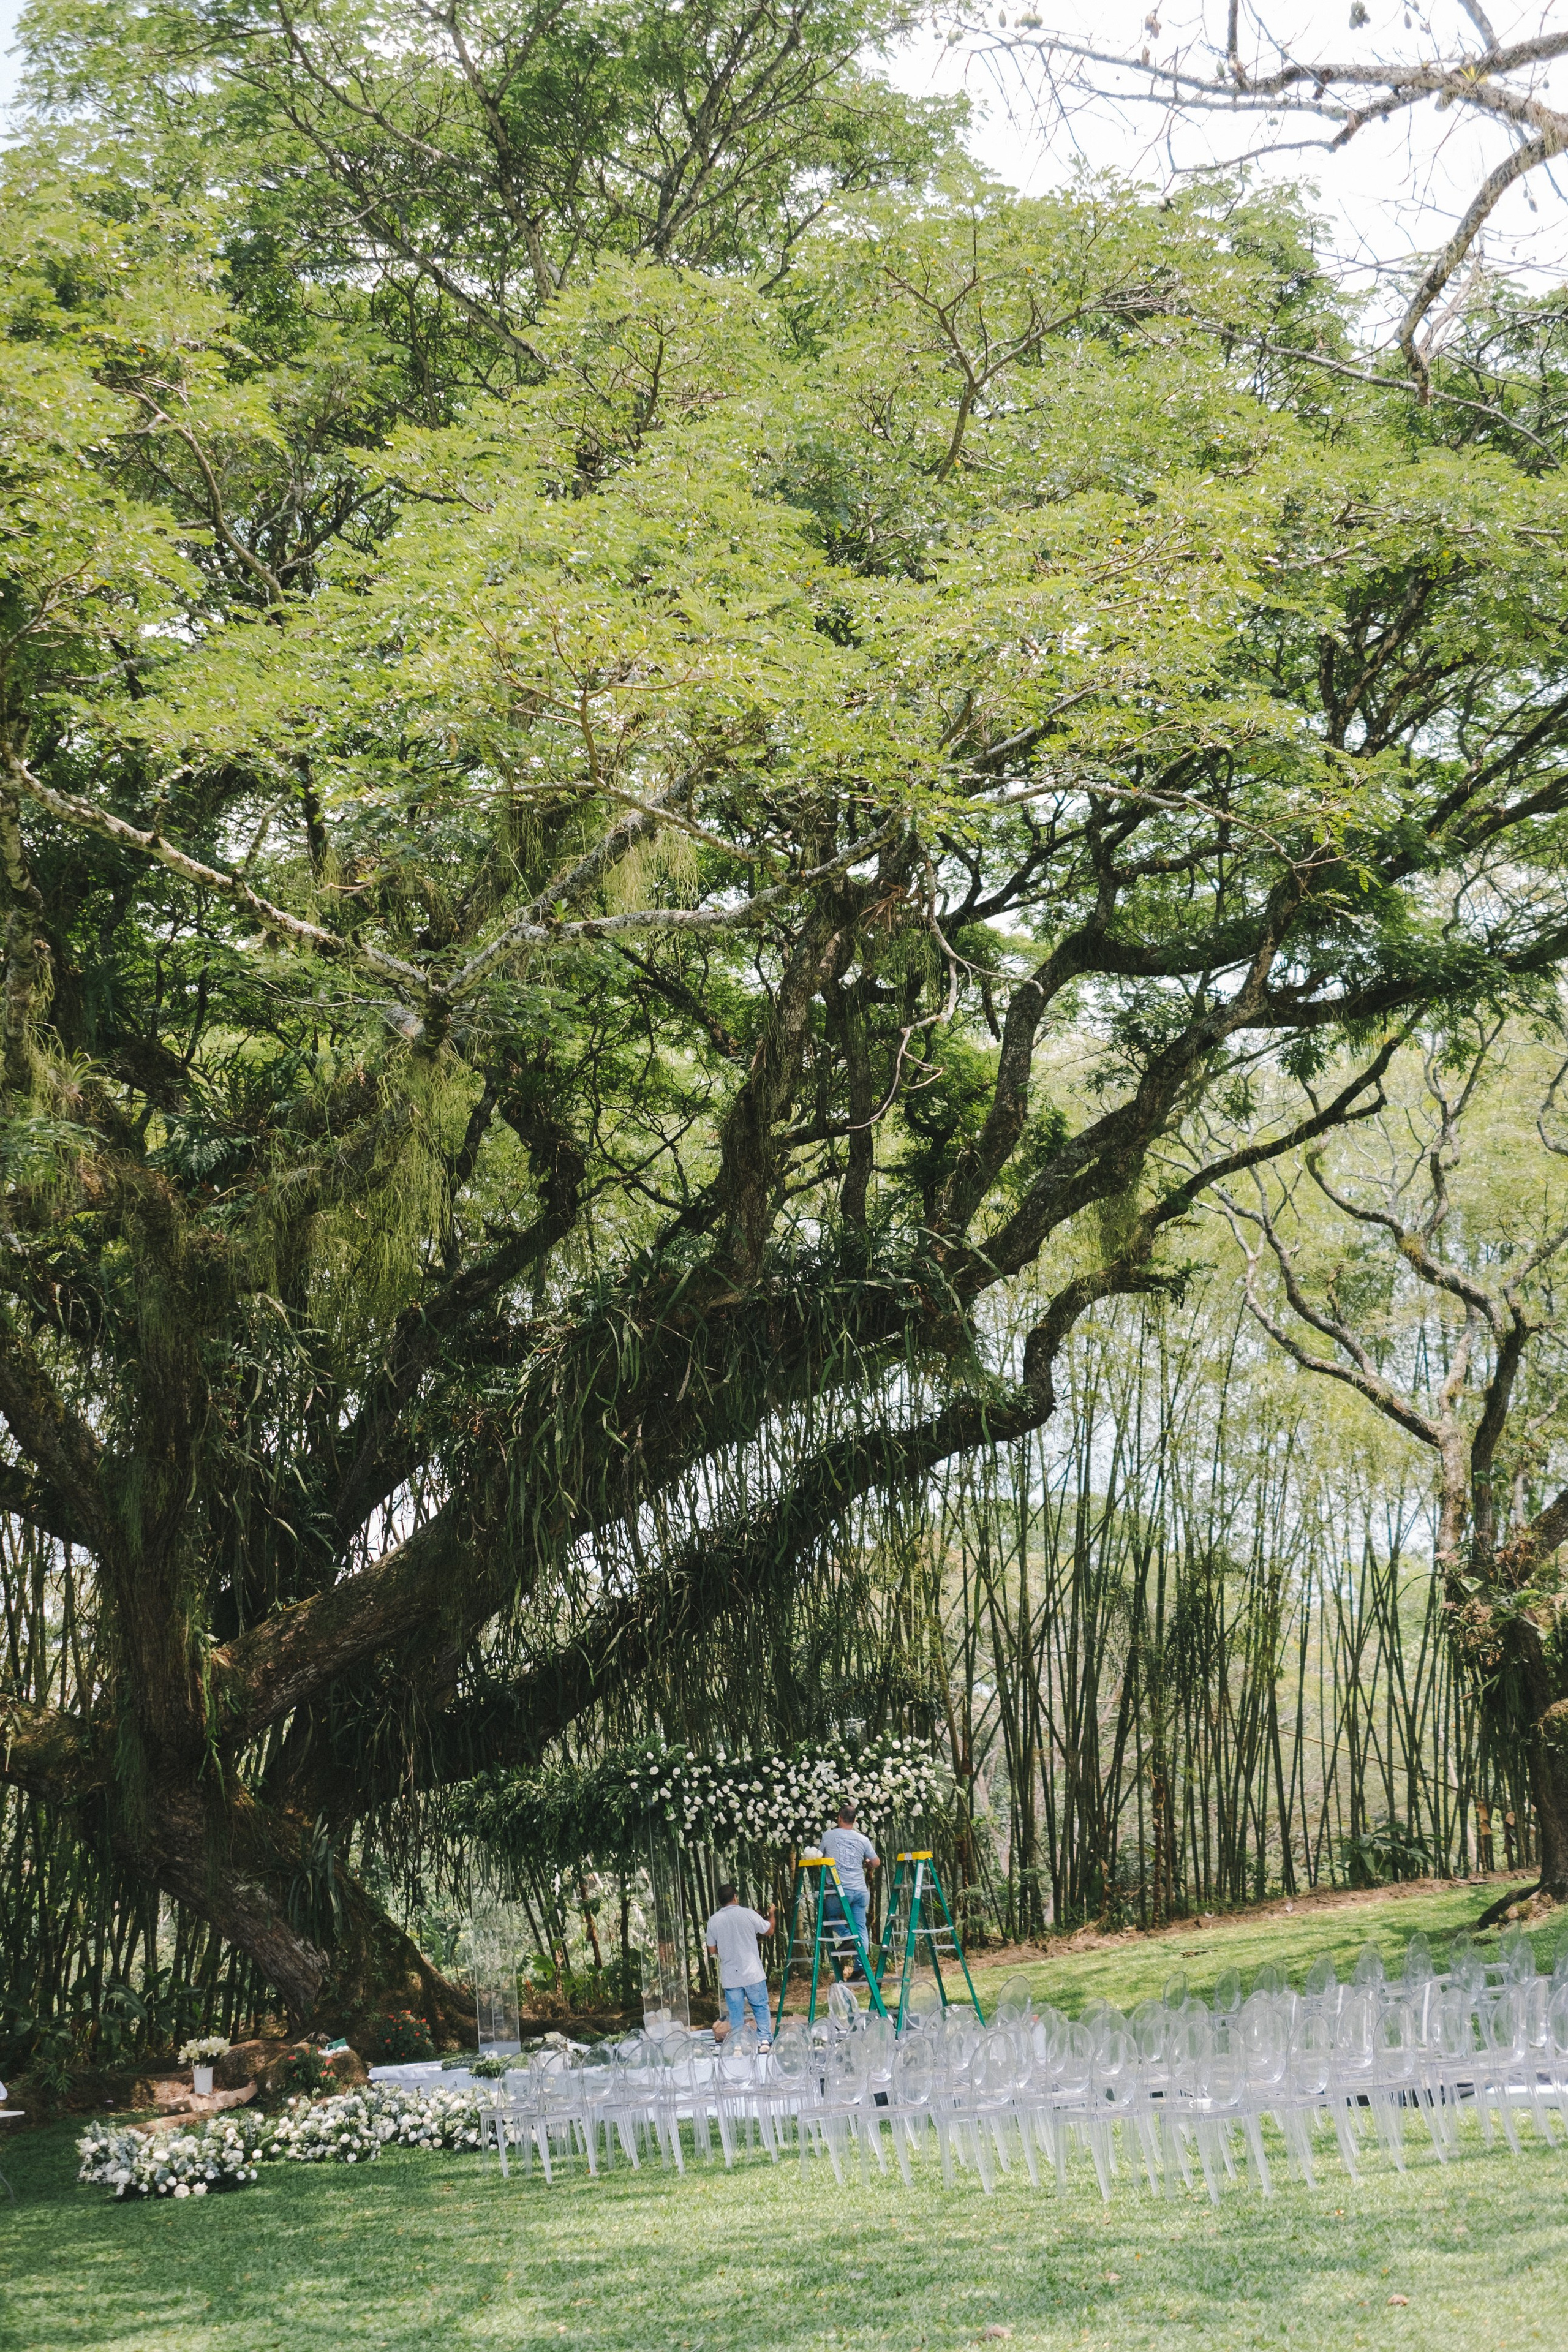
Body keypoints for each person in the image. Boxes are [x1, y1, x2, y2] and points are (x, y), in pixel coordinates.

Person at [704, 1882, 776, 2043]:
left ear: (720, 1901)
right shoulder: (748, 1914)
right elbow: (769, 1930)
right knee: (760, 2007)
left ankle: (738, 2044)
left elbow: (712, 1949)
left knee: (736, 2013)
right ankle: (765, 2040)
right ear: (735, 1897)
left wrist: (726, 1949)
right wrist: (771, 1913)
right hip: (753, 1973)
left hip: (731, 1976)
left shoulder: (714, 1920)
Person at [820, 1803, 879, 1981]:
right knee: (861, 1927)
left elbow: (819, 1857)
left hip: (840, 1891)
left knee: (828, 1916)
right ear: (855, 1820)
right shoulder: (863, 1839)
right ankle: (860, 1970)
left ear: (839, 1818)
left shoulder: (829, 1835)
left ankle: (847, 1937)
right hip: (860, 1891)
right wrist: (866, 1862)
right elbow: (876, 1862)